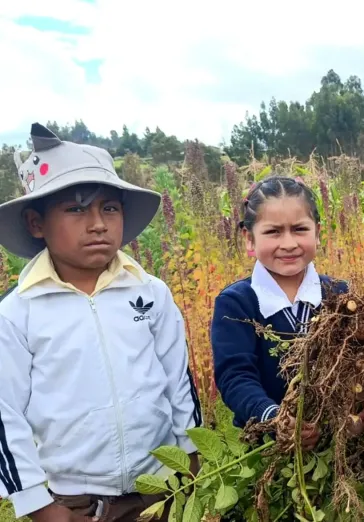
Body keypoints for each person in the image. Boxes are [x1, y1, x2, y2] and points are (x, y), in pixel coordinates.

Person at [0, 123, 203, 522]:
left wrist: (191, 456)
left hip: (161, 488)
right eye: (76, 209)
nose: (97, 223)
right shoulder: (18, 312)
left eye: (109, 208)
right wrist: (39, 505)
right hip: (76, 503)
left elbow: (178, 381)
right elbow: (5, 414)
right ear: (36, 223)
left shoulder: (150, 292)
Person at [210, 177, 364, 449]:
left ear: (318, 233)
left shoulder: (340, 294)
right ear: (249, 239)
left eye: (300, 229)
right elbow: (235, 377)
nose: (288, 243)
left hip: (337, 443)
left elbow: (360, 362)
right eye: (273, 232)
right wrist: (275, 419)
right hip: (266, 446)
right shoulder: (237, 303)